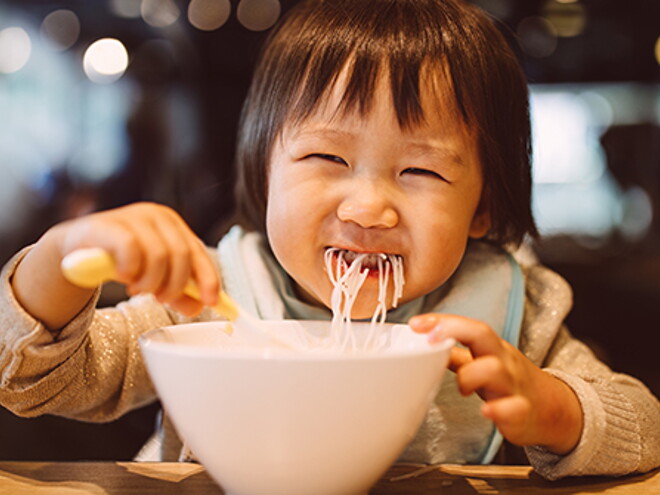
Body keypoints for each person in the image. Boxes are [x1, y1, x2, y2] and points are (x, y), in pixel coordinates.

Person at [1, 0, 658, 480]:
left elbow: (645, 425)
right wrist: (62, 257)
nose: (369, 207)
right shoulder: (210, 293)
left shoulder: (514, 314)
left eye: (421, 170)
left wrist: (553, 408)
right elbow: (34, 383)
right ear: (264, 171)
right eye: (327, 159)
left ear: (483, 205)